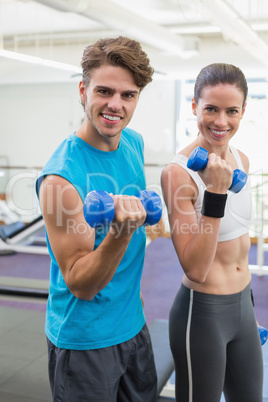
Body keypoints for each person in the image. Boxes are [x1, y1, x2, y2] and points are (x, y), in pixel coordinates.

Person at [36, 36, 157, 402]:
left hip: (133, 325)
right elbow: (80, 284)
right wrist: (120, 231)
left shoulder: (133, 142)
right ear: (83, 90)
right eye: (104, 91)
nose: (115, 105)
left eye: (128, 95)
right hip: (85, 340)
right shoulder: (60, 179)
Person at [161, 63, 263, 402]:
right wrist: (215, 194)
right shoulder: (178, 175)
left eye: (231, 111)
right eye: (211, 109)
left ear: (243, 111)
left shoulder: (242, 159)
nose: (221, 121)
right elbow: (195, 268)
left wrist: (246, 306)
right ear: (194, 107)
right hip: (202, 314)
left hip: (244, 308)